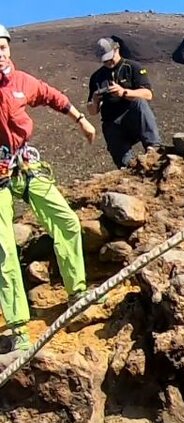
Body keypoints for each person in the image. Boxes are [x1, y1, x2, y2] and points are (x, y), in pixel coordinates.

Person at [0, 24, 96, 354]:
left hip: (25, 164)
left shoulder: (22, 82)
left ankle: (77, 294)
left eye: (2, 47)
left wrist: (80, 120)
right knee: (3, 249)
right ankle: (17, 329)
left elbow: (52, 96)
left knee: (66, 220)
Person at [87, 36, 161, 168]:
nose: (108, 62)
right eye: (105, 60)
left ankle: (153, 148)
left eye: (110, 57)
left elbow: (148, 94)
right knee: (125, 165)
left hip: (133, 117)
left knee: (140, 103)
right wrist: (95, 100)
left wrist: (124, 92)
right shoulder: (97, 77)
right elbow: (92, 112)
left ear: (117, 49)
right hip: (112, 123)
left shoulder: (133, 67)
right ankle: (129, 169)